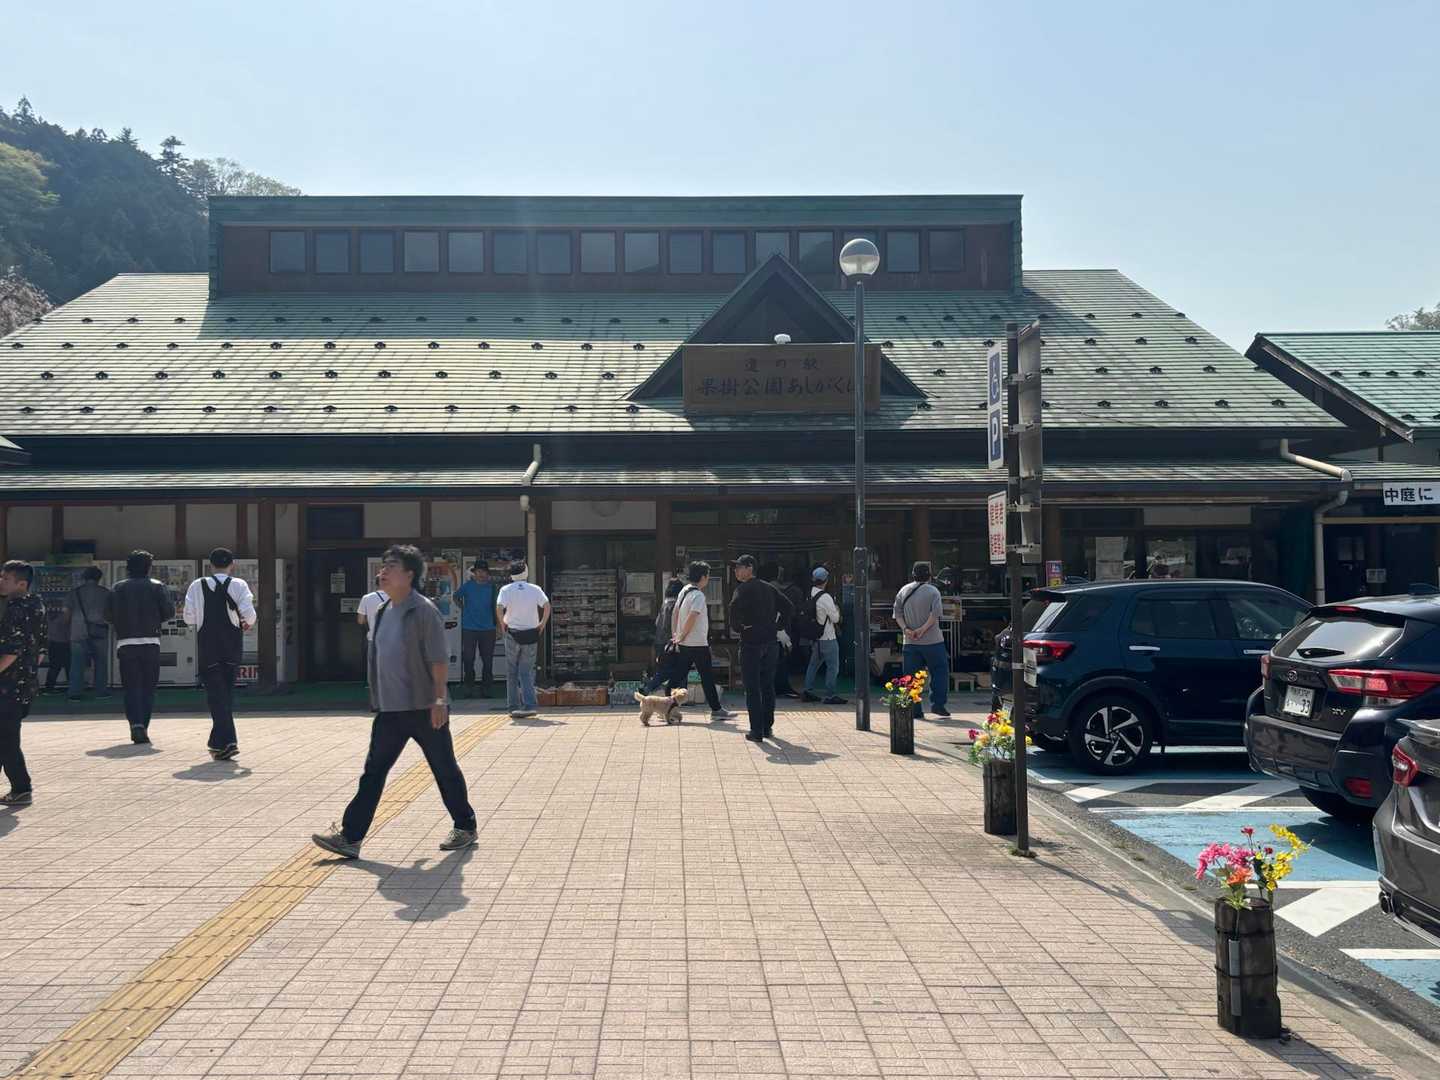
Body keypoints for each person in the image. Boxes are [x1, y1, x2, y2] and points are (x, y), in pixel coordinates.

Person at [313, 544, 476, 859]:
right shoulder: (384, 609)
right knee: (373, 773)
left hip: (424, 707)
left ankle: (465, 825)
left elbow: (438, 659)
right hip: (390, 710)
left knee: (443, 768)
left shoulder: (424, 611)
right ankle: (350, 837)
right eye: (383, 566)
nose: (383, 572)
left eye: (391, 567)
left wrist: (439, 699)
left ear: (409, 575)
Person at [183, 548, 257, 761]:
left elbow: (188, 618)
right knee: (226, 693)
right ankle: (218, 743)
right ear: (232, 564)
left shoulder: (197, 585)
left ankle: (228, 741)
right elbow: (250, 617)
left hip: (208, 646)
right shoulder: (239, 585)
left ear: (210, 564)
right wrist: (245, 623)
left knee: (216, 694)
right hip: (232, 645)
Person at [106, 550, 173, 744]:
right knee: (148, 687)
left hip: (126, 643)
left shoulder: (117, 588)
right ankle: (143, 725)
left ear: (128, 568)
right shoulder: (157, 586)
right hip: (151, 642)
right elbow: (168, 612)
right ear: (149, 568)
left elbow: (107, 615)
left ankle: (135, 724)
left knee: (131, 687)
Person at [728, 554, 793, 742]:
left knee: (752, 687)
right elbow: (789, 607)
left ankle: (756, 730)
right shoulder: (769, 588)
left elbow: (733, 612)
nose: (736, 571)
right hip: (771, 643)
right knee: (767, 686)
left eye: (739, 567)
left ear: (750, 568)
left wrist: (740, 628)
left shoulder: (742, 589)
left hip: (750, 643)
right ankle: (767, 727)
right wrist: (778, 626)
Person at [0, 560, 47, 806]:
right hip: (26, 683)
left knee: (7, 739)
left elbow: (12, 650)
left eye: (6, 579)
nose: (1, 582)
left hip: (8, 685)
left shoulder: (15, 608)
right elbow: (41, 649)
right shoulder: (37, 604)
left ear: (21, 584)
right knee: (4, 736)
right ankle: (20, 787)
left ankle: (21, 787)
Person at [666, 561, 736, 722]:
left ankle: (666, 706)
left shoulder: (684, 591)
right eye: (708, 575)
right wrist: (681, 635)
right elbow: (692, 616)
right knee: (707, 677)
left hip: (685, 644)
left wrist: (676, 635)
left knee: (678, 675)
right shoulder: (698, 595)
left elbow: (675, 613)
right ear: (703, 577)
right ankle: (716, 710)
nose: (708, 579)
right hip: (697, 643)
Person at [893, 561, 951, 719]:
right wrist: (922, 629)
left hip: (910, 642)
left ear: (913, 575)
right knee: (939, 671)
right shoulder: (933, 591)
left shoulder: (903, 590)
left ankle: (914, 709)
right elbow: (935, 614)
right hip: (933, 641)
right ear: (929, 576)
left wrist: (906, 629)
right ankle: (938, 705)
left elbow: (897, 614)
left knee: (911, 676)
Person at [496, 561, 550, 720]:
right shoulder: (535, 589)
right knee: (526, 671)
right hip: (531, 634)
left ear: (511, 574)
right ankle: (530, 705)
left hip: (512, 633)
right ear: (526, 572)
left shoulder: (506, 589)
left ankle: (513, 707)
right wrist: (542, 624)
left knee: (512, 671)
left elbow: (499, 607)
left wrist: (502, 624)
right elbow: (547, 606)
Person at [65, 566, 111, 700]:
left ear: (84, 578)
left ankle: (75, 693)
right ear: (99, 578)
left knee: (77, 664)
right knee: (101, 663)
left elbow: (66, 614)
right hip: (100, 631)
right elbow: (111, 614)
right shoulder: (106, 593)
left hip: (78, 631)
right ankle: (101, 691)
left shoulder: (74, 593)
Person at [802, 567, 846, 705]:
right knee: (833, 667)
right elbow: (835, 618)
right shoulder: (825, 597)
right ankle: (830, 695)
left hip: (816, 637)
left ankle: (807, 690)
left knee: (813, 665)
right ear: (826, 580)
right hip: (828, 637)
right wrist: (837, 609)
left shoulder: (810, 594)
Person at [455, 562, 498, 698]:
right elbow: (455, 596)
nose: (481, 574)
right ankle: (469, 686)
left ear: (487, 573)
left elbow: (497, 607)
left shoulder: (493, 588)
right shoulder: (468, 586)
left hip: (489, 629)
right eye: (478, 571)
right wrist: (463, 608)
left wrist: (498, 626)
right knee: (468, 659)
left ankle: (487, 688)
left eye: (483, 571)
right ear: (474, 573)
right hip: (469, 628)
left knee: (488, 660)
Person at [759, 563, 800, 699]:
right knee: (777, 665)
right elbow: (785, 612)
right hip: (776, 636)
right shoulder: (775, 591)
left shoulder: (764, 590)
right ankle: (777, 689)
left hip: (766, 635)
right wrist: (786, 638)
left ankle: (770, 690)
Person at [642, 577, 685, 694]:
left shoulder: (665, 603)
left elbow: (658, 623)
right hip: (671, 642)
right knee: (675, 669)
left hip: (660, 642)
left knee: (669, 669)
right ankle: (651, 687)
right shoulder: (676, 604)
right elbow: (671, 625)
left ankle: (672, 694)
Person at [41, 600, 70, 695]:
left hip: (52, 643)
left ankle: (49, 688)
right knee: (69, 666)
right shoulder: (62, 617)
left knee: (54, 666)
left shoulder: (47, 616)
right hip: (64, 643)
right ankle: (72, 687)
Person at [356, 576, 384, 641]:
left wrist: (369, 618)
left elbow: (360, 620)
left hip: (373, 637)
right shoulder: (396, 597)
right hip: (392, 639)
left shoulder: (366, 598)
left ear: (376, 584)